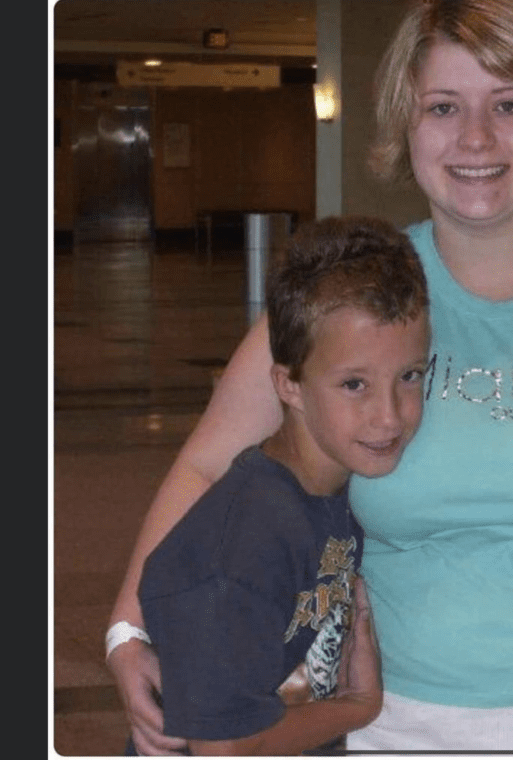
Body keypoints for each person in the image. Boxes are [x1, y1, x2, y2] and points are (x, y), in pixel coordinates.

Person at [107, 0, 513, 756]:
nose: (476, 138)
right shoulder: (349, 296)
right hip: (399, 728)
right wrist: (127, 628)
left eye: (509, 105)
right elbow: (209, 466)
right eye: (444, 107)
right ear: (408, 124)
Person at [112, 216, 431, 755]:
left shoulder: (320, 493)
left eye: (410, 376)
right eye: (354, 384)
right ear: (288, 384)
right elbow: (224, 749)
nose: (389, 417)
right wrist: (356, 708)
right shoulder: (243, 546)